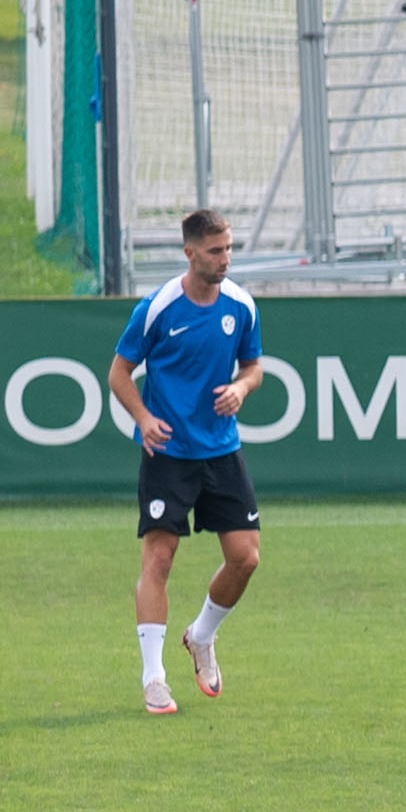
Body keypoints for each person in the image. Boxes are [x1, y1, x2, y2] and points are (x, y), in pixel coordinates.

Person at [113, 208, 268, 715]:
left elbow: (254, 367)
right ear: (190, 252)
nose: (225, 259)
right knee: (159, 560)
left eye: (229, 249)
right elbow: (118, 374)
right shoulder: (158, 308)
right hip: (169, 453)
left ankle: (201, 636)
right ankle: (153, 678)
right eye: (215, 250)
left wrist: (242, 388)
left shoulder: (241, 305)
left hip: (221, 449)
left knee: (246, 557)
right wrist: (144, 417)